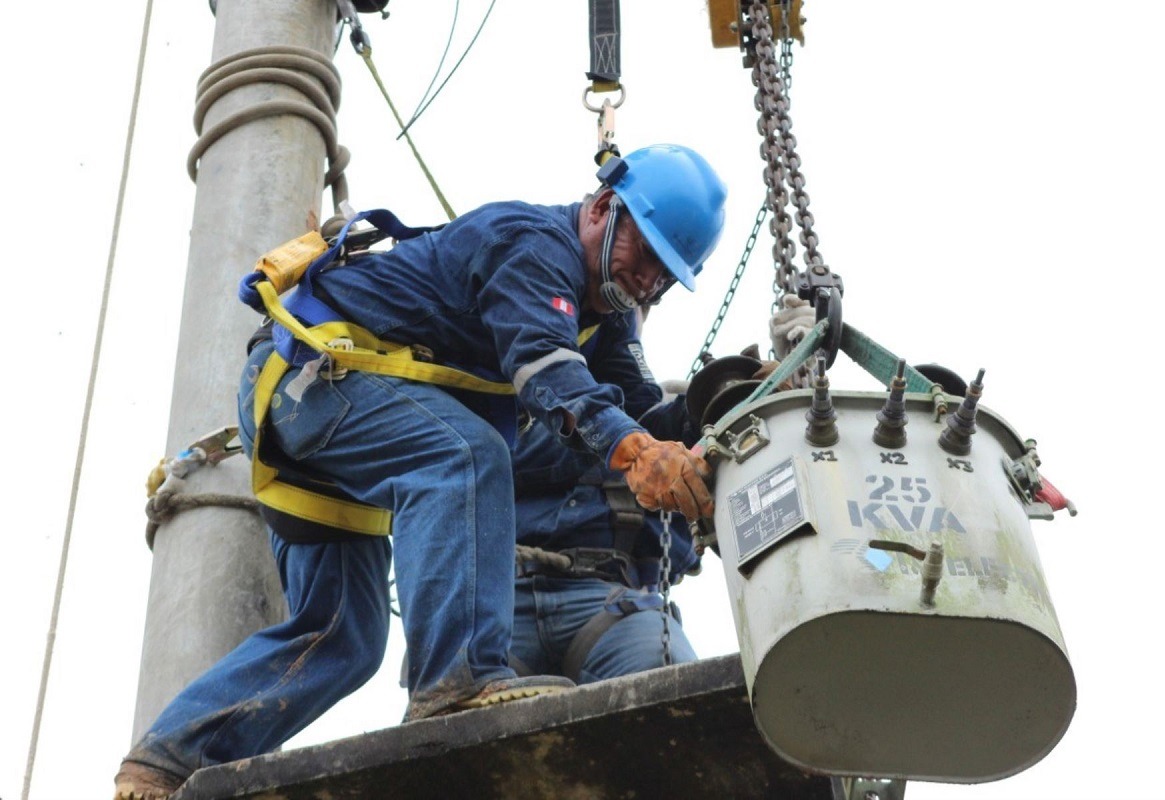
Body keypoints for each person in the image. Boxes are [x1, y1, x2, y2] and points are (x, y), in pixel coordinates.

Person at [113, 143, 728, 799]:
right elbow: (548, 372)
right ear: (604, 208)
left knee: (341, 636)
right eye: (645, 255)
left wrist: (716, 413)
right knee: (467, 456)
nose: (647, 282)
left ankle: (164, 765)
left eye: (665, 277)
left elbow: (637, 412)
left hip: (322, 416)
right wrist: (635, 453)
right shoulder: (533, 244)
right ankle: (459, 684)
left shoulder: (605, 318)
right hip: (314, 382)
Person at [508, 313, 704, 683]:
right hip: (496, 603)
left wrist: (713, 414)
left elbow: (693, 540)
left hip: (611, 604)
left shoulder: (663, 428)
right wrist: (617, 435)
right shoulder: (493, 409)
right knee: (453, 704)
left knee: (671, 683)